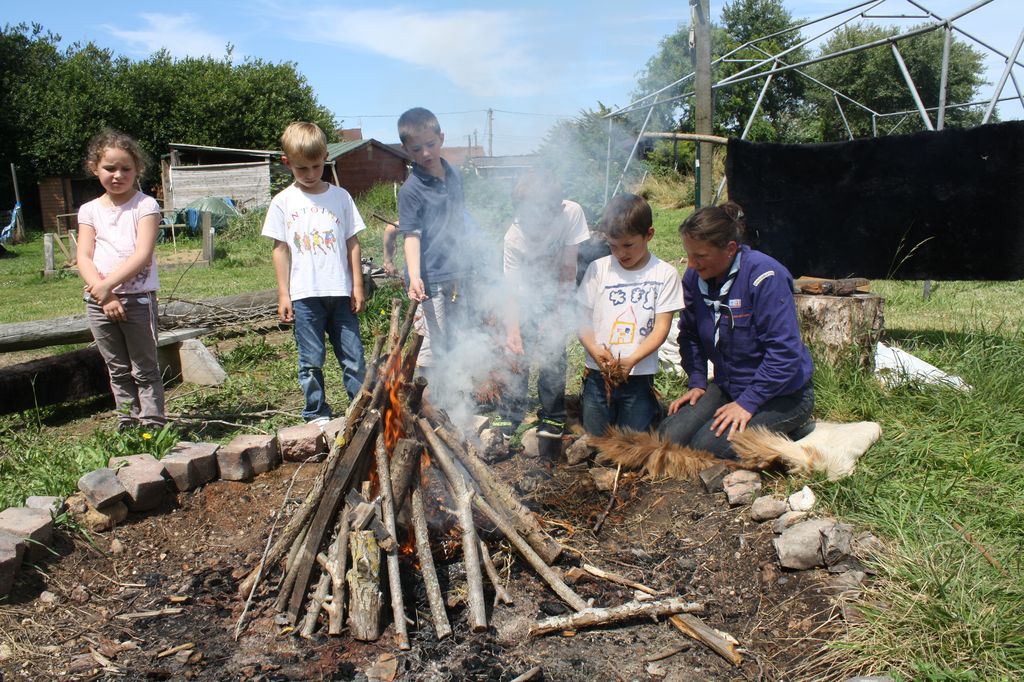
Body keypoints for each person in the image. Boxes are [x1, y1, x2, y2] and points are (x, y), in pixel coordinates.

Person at [658, 202, 814, 459]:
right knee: (669, 436)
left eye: (701, 256)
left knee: (708, 448)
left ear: (730, 249)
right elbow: (689, 334)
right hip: (730, 385)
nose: (692, 264)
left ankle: (792, 427)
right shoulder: (694, 278)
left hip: (783, 394)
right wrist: (697, 381)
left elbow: (784, 353)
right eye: (689, 255)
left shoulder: (765, 276)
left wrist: (748, 402)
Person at [262, 122, 367, 425]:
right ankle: (316, 412)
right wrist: (284, 294)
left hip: (340, 292)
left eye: (315, 166)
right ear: (287, 163)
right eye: (301, 168)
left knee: (353, 357)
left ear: (326, 158)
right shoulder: (283, 202)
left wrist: (357, 285)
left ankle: (359, 408)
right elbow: (280, 249)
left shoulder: (341, 198)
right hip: (305, 296)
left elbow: (352, 242)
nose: (309, 174)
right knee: (310, 360)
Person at [76, 129, 165, 431]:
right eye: (110, 168)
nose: (118, 175)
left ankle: (152, 426)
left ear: (137, 169)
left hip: (137, 300)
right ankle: (127, 423)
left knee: (144, 367)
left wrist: (105, 286)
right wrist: (104, 295)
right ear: (94, 168)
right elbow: (84, 257)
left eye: (126, 168)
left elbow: (142, 254)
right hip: (99, 303)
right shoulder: (89, 211)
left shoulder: (145, 206)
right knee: (117, 368)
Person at [577, 193, 684, 436]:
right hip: (598, 373)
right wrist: (594, 349)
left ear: (649, 234)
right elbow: (581, 318)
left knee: (632, 438)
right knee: (596, 439)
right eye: (613, 246)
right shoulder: (599, 269)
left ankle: (651, 409)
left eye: (628, 245)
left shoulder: (663, 274)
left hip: (638, 374)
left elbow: (661, 328)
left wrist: (633, 359)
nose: (620, 253)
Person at [496, 172, 590, 440]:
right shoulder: (514, 238)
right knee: (516, 351)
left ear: (556, 209)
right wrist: (512, 332)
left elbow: (568, 269)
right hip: (526, 290)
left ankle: (552, 415)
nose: (532, 226)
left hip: (558, 285)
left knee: (553, 348)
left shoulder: (571, 213)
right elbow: (511, 290)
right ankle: (511, 413)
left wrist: (559, 312)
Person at [396, 107, 473, 368]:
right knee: (431, 344)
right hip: (429, 280)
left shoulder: (454, 175)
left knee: (458, 337)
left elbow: (460, 220)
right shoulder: (410, 190)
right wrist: (415, 276)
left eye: (430, 144)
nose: (425, 153)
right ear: (406, 150)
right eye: (416, 149)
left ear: (441, 138)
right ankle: (428, 402)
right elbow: (411, 236)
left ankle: (456, 398)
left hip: (457, 273)